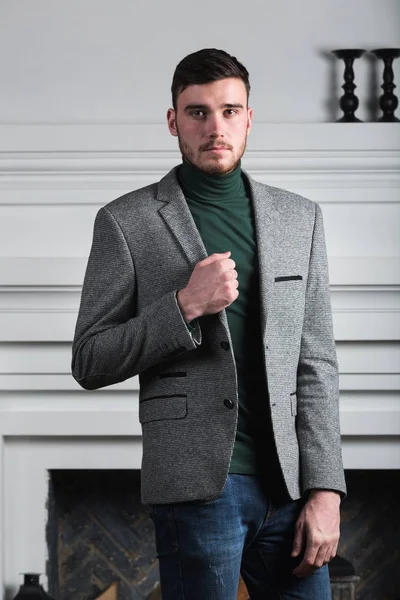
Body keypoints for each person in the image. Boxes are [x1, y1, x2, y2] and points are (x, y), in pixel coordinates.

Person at [72, 48, 346, 600]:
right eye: (197, 112)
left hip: (291, 490)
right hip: (197, 491)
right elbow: (90, 359)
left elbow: (316, 364)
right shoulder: (126, 222)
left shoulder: (301, 218)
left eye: (229, 110)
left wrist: (325, 491)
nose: (214, 127)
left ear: (249, 117)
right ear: (173, 121)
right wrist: (185, 305)